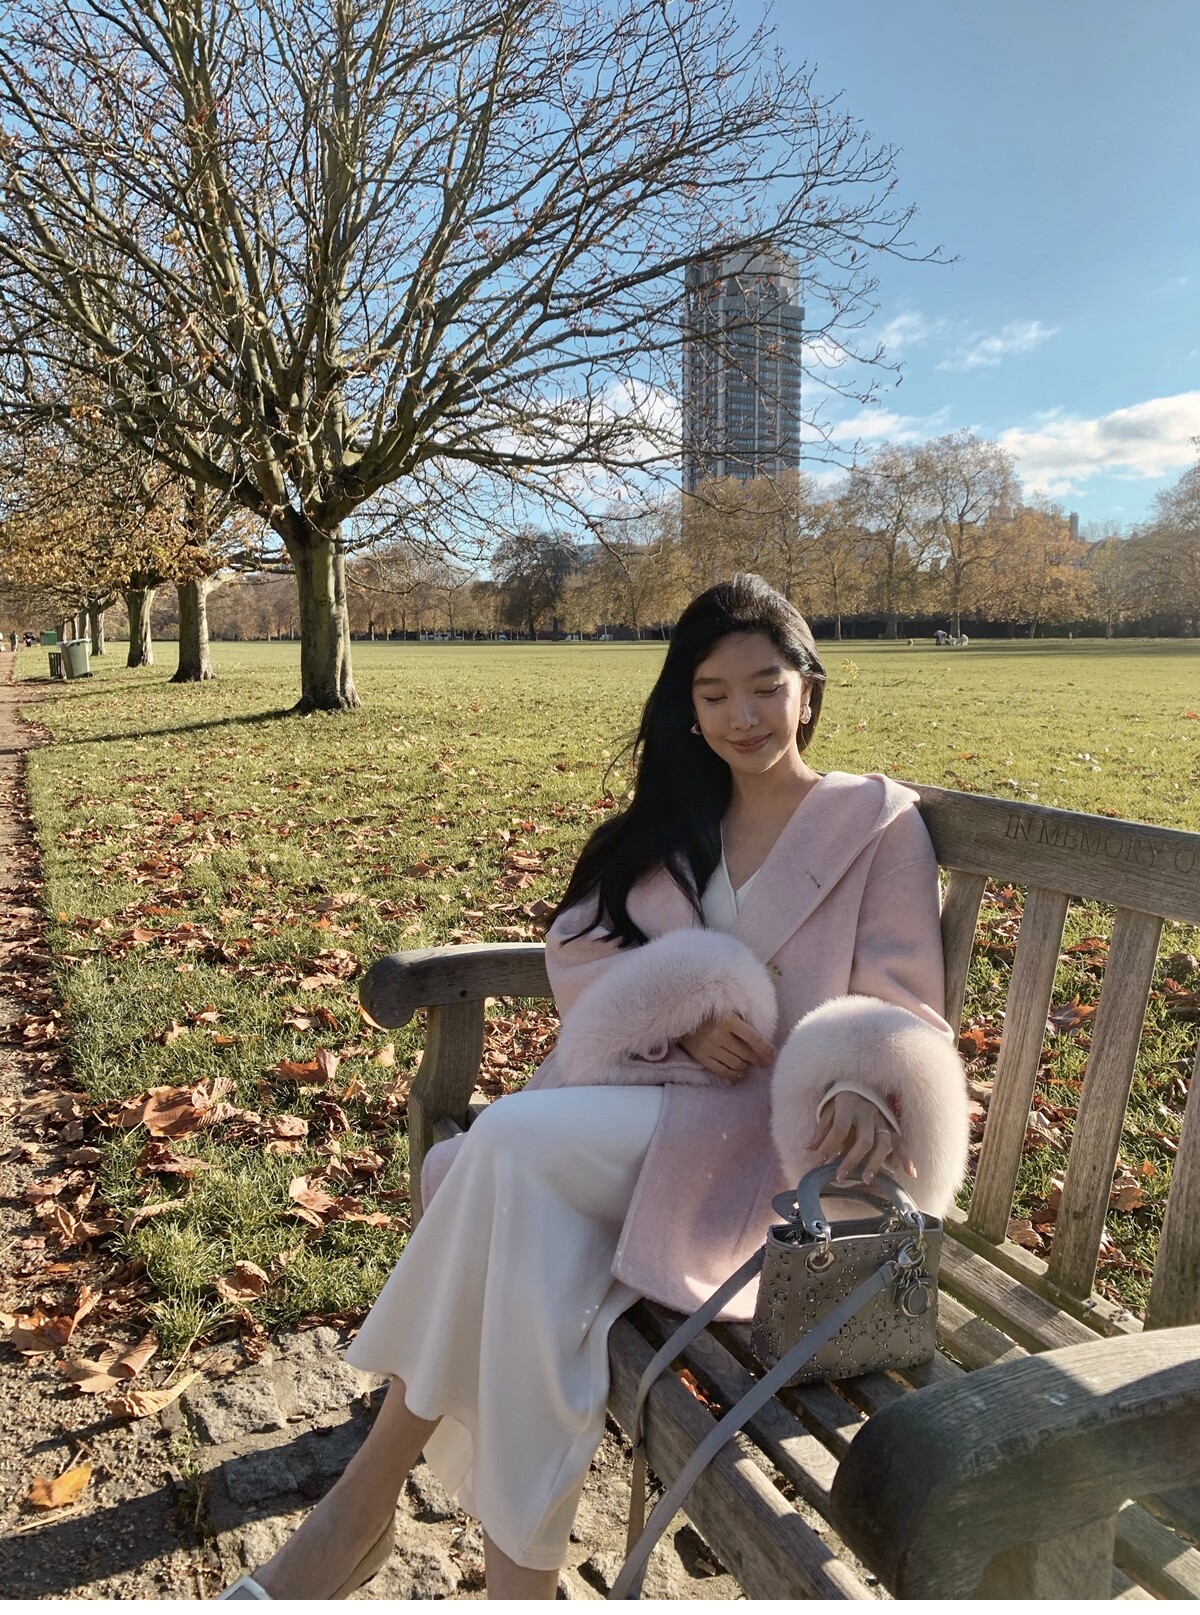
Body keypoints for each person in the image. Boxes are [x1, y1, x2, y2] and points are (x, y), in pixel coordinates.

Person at [221, 573, 969, 1602]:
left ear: (810, 689)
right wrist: (682, 1008)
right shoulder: (675, 826)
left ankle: (358, 1511)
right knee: (532, 1245)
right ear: (688, 708)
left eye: (766, 686)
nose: (743, 716)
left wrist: (860, 1082)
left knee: (504, 1149)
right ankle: (507, 1585)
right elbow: (578, 950)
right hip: (655, 1110)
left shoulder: (875, 823)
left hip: (769, 1152)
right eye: (714, 694)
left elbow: (904, 1007)